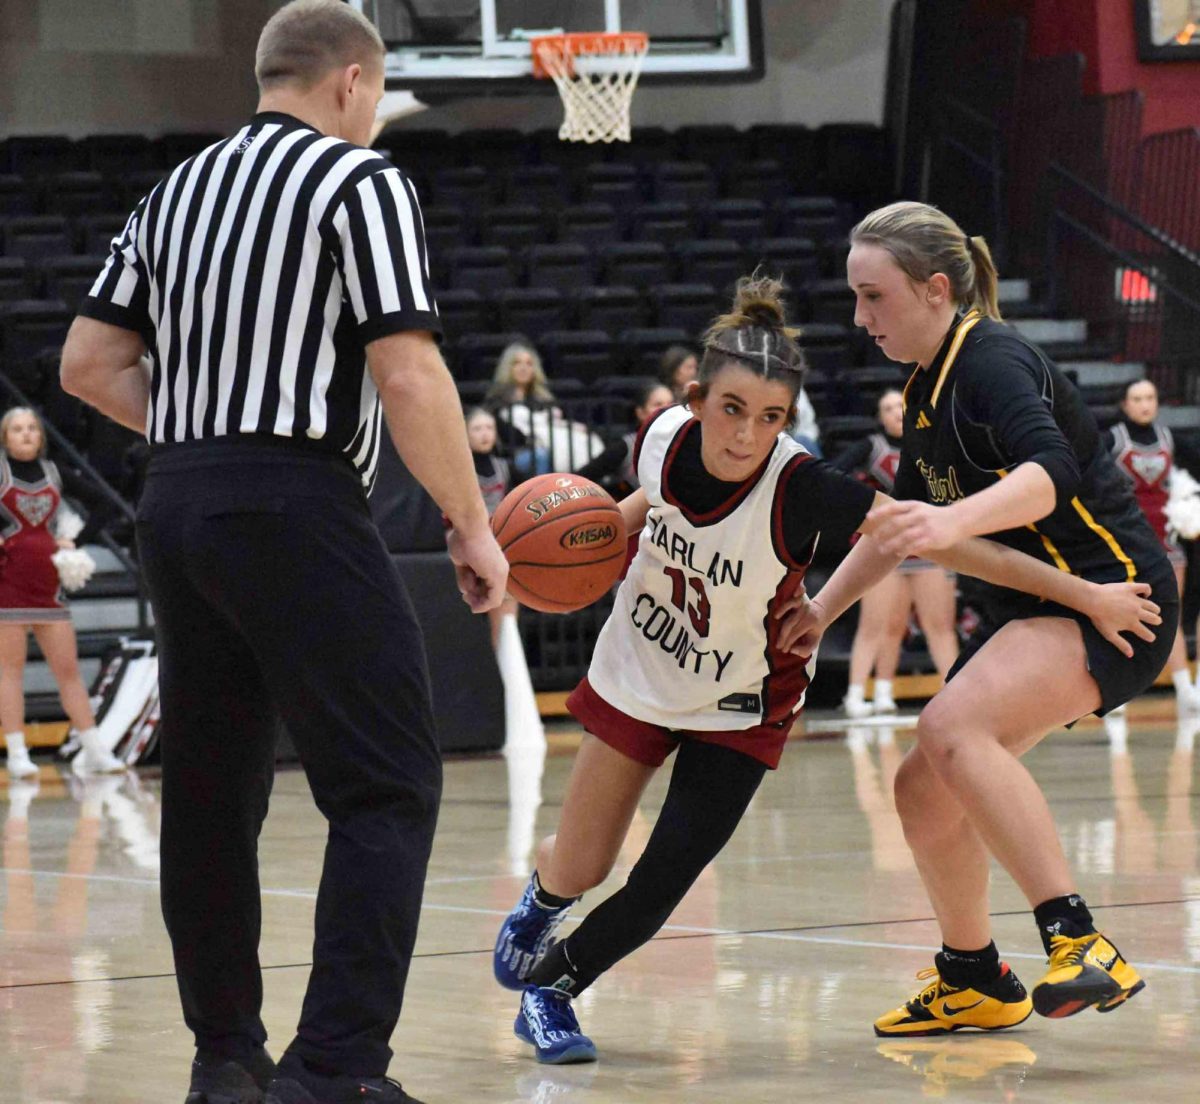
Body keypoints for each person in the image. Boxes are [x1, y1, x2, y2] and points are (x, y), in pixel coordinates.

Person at [489, 273, 1160, 1065]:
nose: (746, 435)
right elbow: (636, 506)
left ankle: (552, 992)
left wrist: (1081, 592)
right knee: (583, 861)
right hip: (639, 669)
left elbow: (939, 541)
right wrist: (577, 547)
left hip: (742, 701)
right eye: (732, 410)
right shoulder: (663, 436)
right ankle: (544, 902)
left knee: (661, 883)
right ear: (697, 397)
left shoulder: (803, 488)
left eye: (770, 418)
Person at [60, 4, 508, 1104]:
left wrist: (202, 429)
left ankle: (227, 1062)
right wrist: (471, 521)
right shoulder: (360, 183)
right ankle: (338, 1071)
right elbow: (409, 375)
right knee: (388, 783)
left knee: (211, 794)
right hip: (296, 498)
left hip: (176, 499)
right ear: (353, 83)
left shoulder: (173, 192)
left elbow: (83, 363)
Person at [778, 200, 1177, 1038]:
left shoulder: (991, 359)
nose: (859, 318)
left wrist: (951, 522)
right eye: (854, 298)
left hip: (1120, 598)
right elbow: (903, 530)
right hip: (1055, 602)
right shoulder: (926, 391)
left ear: (933, 289)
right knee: (922, 787)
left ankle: (1081, 943)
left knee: (953, 726)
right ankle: (973, 976)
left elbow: (1051, 474)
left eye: (872, 296)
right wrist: (821, 609)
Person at [0, 407, 122, 779]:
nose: (25, 434)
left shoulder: (55, 473)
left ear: (41, 436)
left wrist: (77, 540)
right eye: (17, 429)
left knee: (68, 672)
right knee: (8, 672)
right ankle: (19, 753)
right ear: (5, 438)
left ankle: (95, 749)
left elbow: (104, 503)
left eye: (32, 428)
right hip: (8, 584)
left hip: (48, 587)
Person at [833, 388, 959, 715]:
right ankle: (860, 694)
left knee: (940, 625)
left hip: (929, 544)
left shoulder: (931, 444)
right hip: (886, 545)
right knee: (878, 625)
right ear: (880, 417)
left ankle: (957, 695)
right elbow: (831, 474)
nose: (894, 413)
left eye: (898, 407)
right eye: (887, 408)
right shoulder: (871, 448)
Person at [1105, 377, 1200, 712]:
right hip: (1125, 541)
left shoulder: (1170, 439)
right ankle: (1117, 693)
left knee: (1168, 615)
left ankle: (1184, 689)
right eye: (1137, 398)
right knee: (1122, 615)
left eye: (1150, 397)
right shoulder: (1112, 440)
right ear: (1124, 403)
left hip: (1166, 541)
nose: (1145, 404)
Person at [465, 406, 517, 646]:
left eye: (489, 427)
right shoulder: (460, 469)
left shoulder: (505, 467)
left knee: (505, 612)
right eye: (477, 428)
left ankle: (504, 667)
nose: (484, 433)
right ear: (464, 433)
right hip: (465, 546)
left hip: (499, 544)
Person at [574, 381, 674, 498]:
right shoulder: (626, 446)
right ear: (640, 412)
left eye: (671, 404)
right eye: (658, 404)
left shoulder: (687, 440)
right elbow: (581, 478)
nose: (666, 409)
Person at [484, 341, 558, 478]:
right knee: (540, 455)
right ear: (508, 368)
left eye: (529, 364)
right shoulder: (497, 400)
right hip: (514, 455)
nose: (523, 368)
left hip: (551, 448)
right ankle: (542, 496)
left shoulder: (544, 399)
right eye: (517, 363)